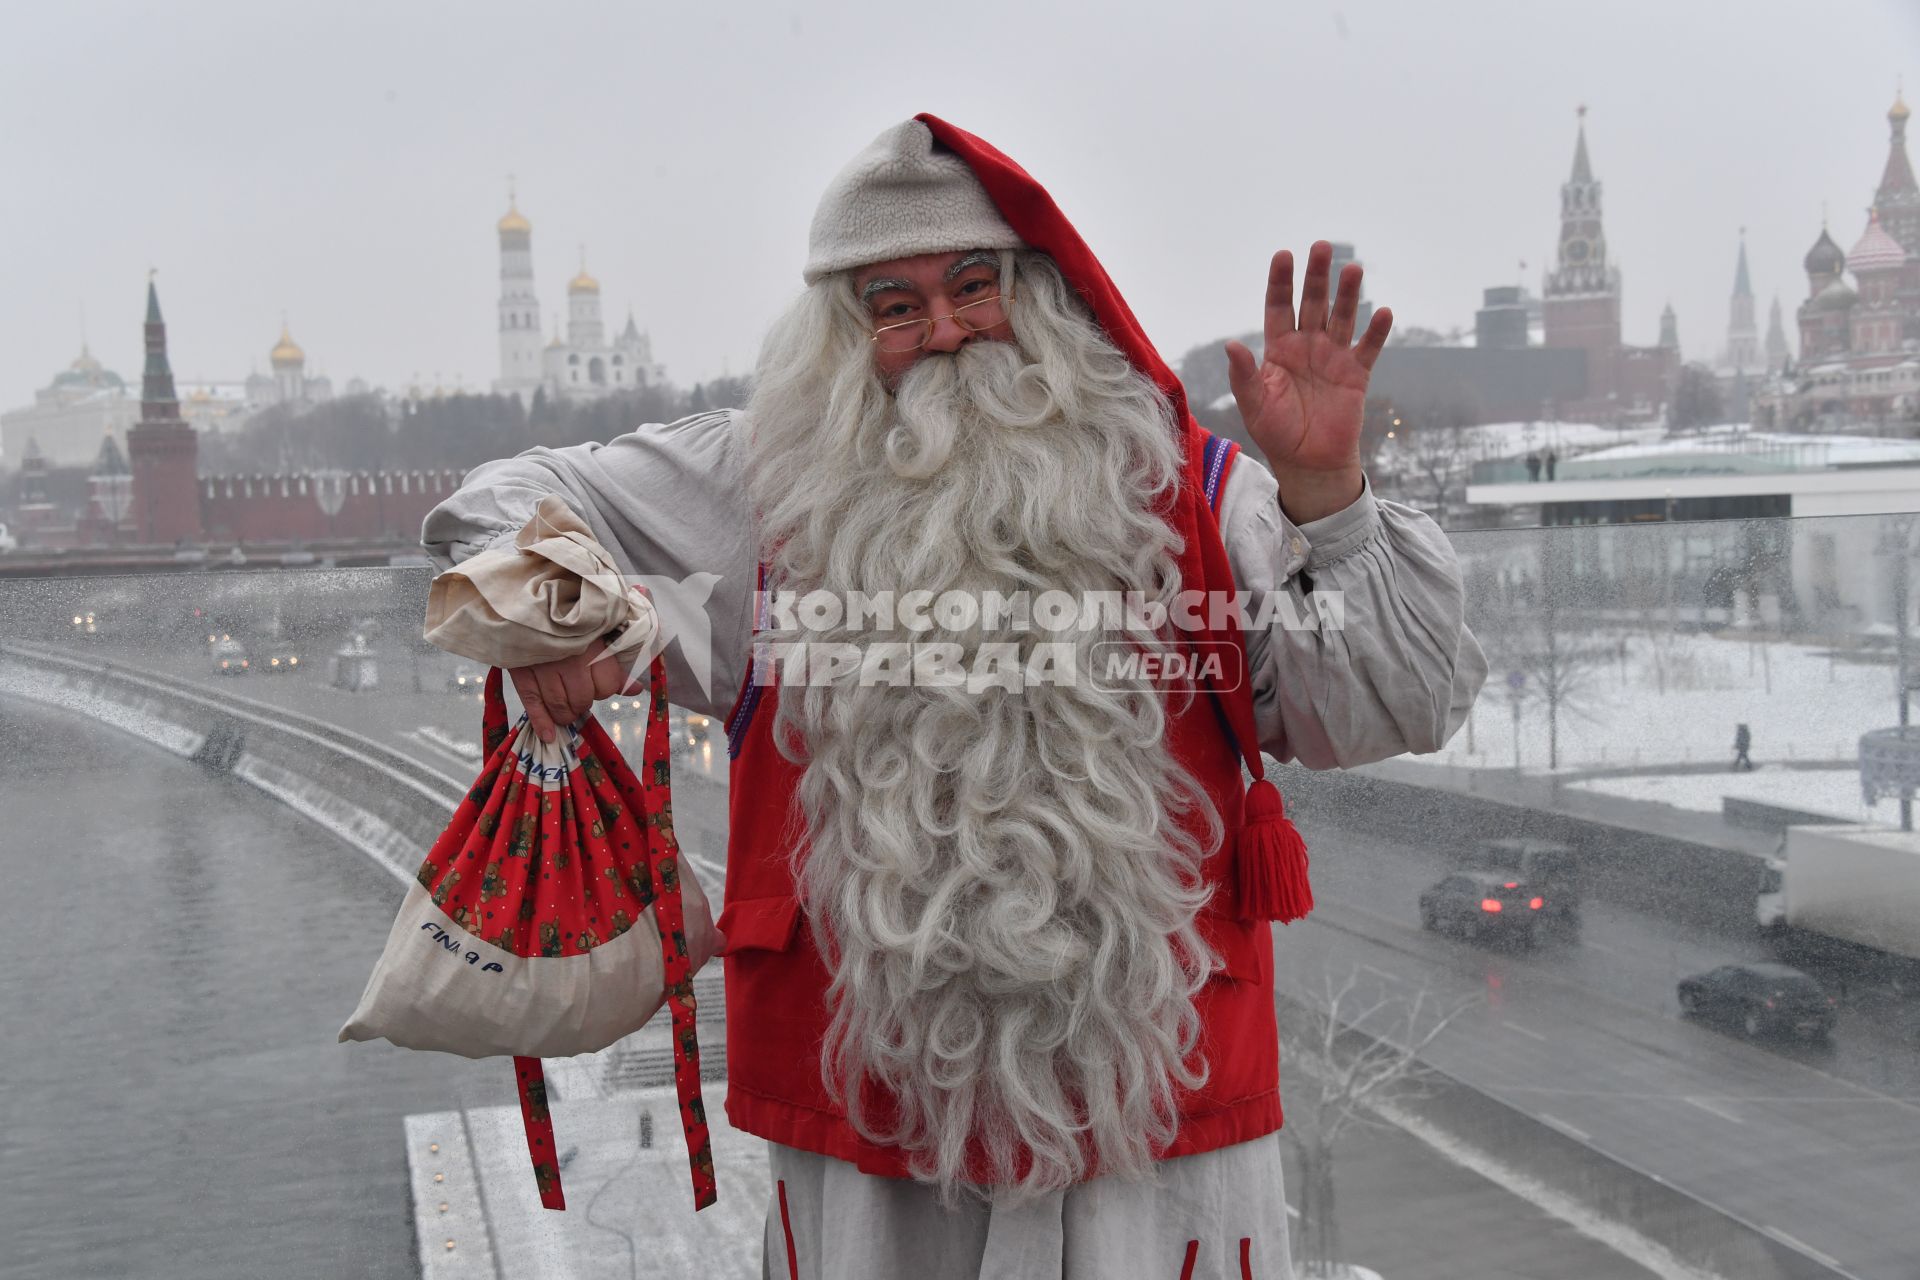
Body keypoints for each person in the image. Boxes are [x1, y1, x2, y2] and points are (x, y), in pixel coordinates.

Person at [421, 115, 1488, 1280]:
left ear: (1040, 296)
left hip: (1163, 1125)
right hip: (875, 1142)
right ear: (844, 331)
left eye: (973, 286)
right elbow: (500, 502)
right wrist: (561, 610)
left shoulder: (1196, 494)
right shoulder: (758, 491)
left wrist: (1330, 496)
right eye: (894, 305)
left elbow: (1397, 702)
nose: (942, 332)